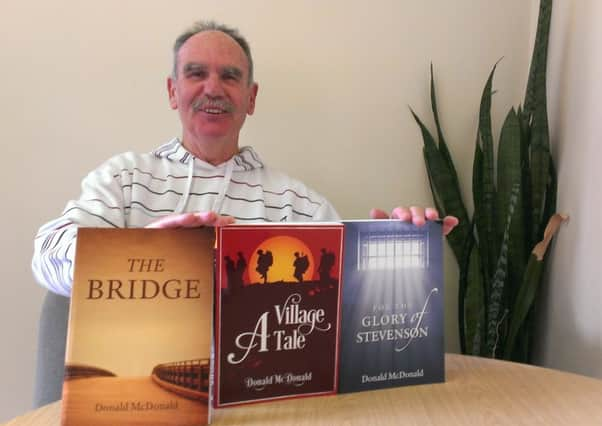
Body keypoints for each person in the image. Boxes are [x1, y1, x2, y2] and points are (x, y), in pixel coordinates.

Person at [31, 21, 458, 297]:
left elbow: (346, 295)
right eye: (196, 74)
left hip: (271, 398)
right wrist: (150, 252)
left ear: (250, 98)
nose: (213, 89)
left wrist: (406, 251)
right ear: (172, 92)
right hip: (145, 398)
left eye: (230, 76)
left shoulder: (298, 203)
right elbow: (47, 255)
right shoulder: (125, 179)